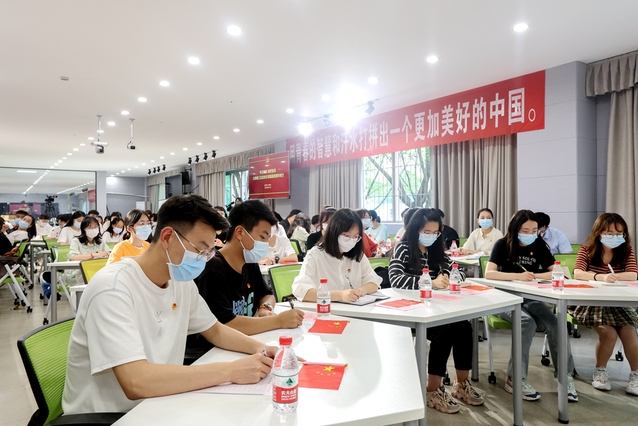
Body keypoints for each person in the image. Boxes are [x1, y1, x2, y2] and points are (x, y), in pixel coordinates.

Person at [62, 195, 277, 415]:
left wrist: (264, 350)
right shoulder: (112, 288)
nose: (204, 259)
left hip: (161, 402)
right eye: (200, 249)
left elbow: (215, 330)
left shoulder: (180, 282)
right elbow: (136, 382)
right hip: (113, 416)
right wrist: (230, 371)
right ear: (167, 237)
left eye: (209, 252)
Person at [389, 207, 484, 413]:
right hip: (411, 310)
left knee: (463, 326)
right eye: (426, 232)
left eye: (435, 233)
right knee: (444, 331)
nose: (431, 236)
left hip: (436, 308)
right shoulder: (403, 248)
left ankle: (461, 384)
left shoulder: (436, 250)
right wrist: (430, 282)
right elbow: (396, 279)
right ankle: (432, 391)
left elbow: (458, 272)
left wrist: (450, 277)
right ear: (415, 230)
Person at [485, 209, 578, 402]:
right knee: (525, 322)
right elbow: (489, 273)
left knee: (555, 322)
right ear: (515, 229)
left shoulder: (539, 245)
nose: (530, 234)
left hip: (530, 297)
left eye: (534, 230)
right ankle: (515, 378)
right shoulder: (503, 244)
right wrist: (518, 276)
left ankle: (565, 376)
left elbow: (557, 271)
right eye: (525, 230)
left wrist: (534, 275)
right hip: (504, 297)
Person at [194, 200, 304, 339]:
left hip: (247, 340)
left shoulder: (249, 263)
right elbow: (225, 325)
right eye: (262, 237)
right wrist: (278, 321)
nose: (265, 244)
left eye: (267, 238)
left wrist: (265, 308)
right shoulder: (213, 268)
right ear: (240, 232)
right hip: (217, 347)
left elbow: (267, 295)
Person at [570, 213, 638, 395]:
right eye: (609, 233)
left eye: (619, 233)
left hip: (618, 303)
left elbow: (633, 274)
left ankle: (636, 374)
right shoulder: (587, 250)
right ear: (598, 232)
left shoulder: (626, 251)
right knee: (608, 333)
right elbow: (578, 273)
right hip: (591, 302)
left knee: (629, 332)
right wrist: (600, 277)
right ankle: (600, 371)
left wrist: (614, 277)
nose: (614, 237)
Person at [292, 208, 382, 302]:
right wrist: (340, 295)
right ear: (333, 231)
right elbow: (301, 291)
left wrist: (361, 291)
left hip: (353, 308)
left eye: (355, 237)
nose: (351, 240)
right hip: (325, 308)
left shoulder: (357, 255)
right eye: (346, 236)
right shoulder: (315, 255)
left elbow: (374, 282)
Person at [67, 216, 111, 284]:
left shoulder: (100, 241)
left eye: (95, 227)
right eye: (89, 227)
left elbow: (109, 253)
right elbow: (73, 257)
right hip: (80, 273)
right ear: (83, 229)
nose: (93, 229)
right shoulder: (76, 241)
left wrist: (107, 253)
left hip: (97, 272)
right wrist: (95, 255)